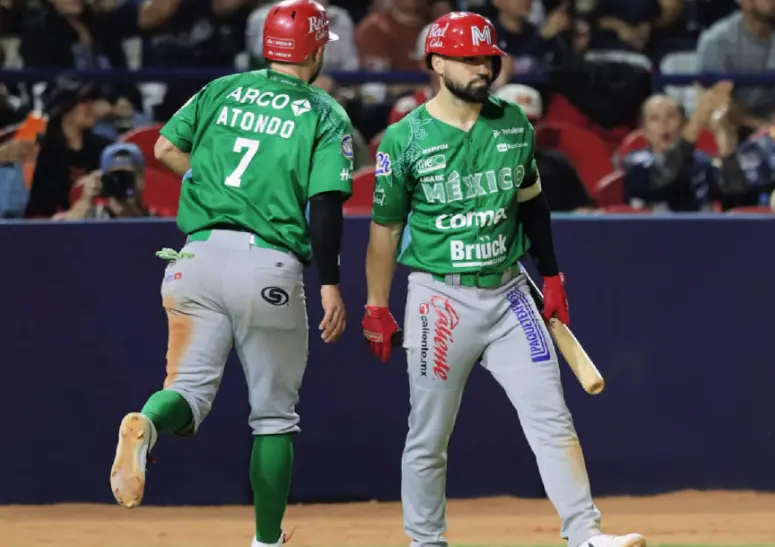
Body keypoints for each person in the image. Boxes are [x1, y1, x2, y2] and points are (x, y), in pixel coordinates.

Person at [360, 11, 645, 547]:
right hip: (438, 296)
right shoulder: (403, 139)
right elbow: (386, 229)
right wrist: (377, 304)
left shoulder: (514, 122)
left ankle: (585, 533)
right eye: (469, 58)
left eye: (488, 58)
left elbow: (533, 206)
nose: (482, 67)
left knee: (551, 416)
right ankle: (426, 541)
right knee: (429, 434)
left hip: (510, 291)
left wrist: (553, 277)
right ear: (437, 62)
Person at [109, 3, 354, 547]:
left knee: (186, 394)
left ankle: (146, 425)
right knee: (273, 417)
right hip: (265, 263)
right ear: (314, 50)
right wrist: (332, 281)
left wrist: (208, 183)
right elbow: (326, 204)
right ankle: (267, 541)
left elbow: (166, 147)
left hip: (193, 259)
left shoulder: (223, 89)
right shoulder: (323, 111)